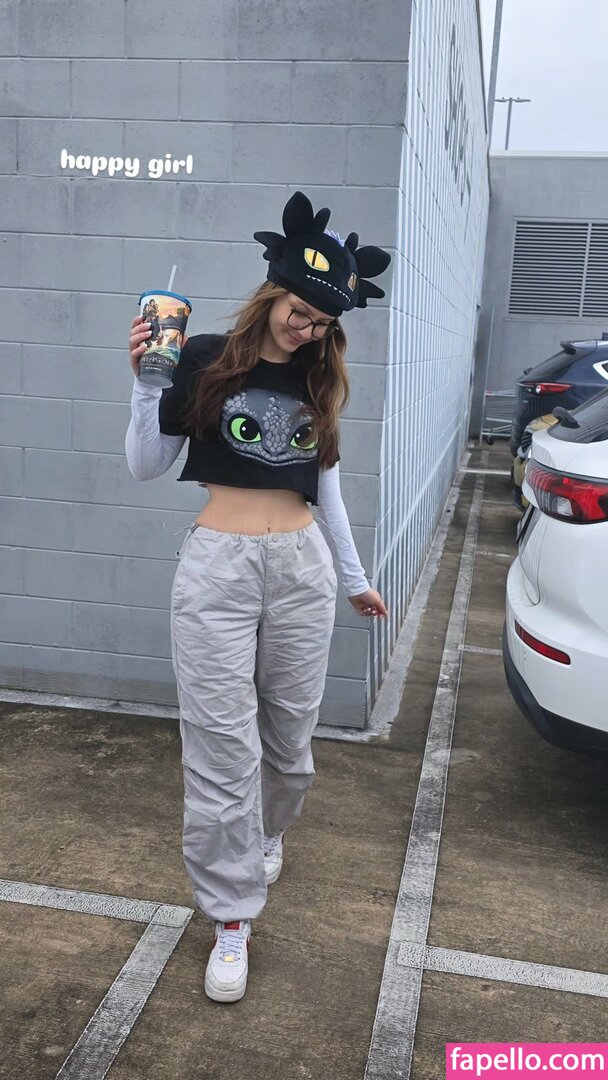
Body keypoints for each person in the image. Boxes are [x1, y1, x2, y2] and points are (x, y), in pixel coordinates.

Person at [125, 191, 391, 1003]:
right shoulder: (203, 357)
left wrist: (354, 578)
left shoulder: (320, 378)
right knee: (219, 748)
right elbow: (145, 465)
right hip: (219, 567)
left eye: (321, 323)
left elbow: (327, 490)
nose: (304, 329)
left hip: (301, 568)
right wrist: (143, 385)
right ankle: (231, 917)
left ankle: (268, 833)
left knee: (289, 743)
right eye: (298, 312)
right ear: (273, 291)